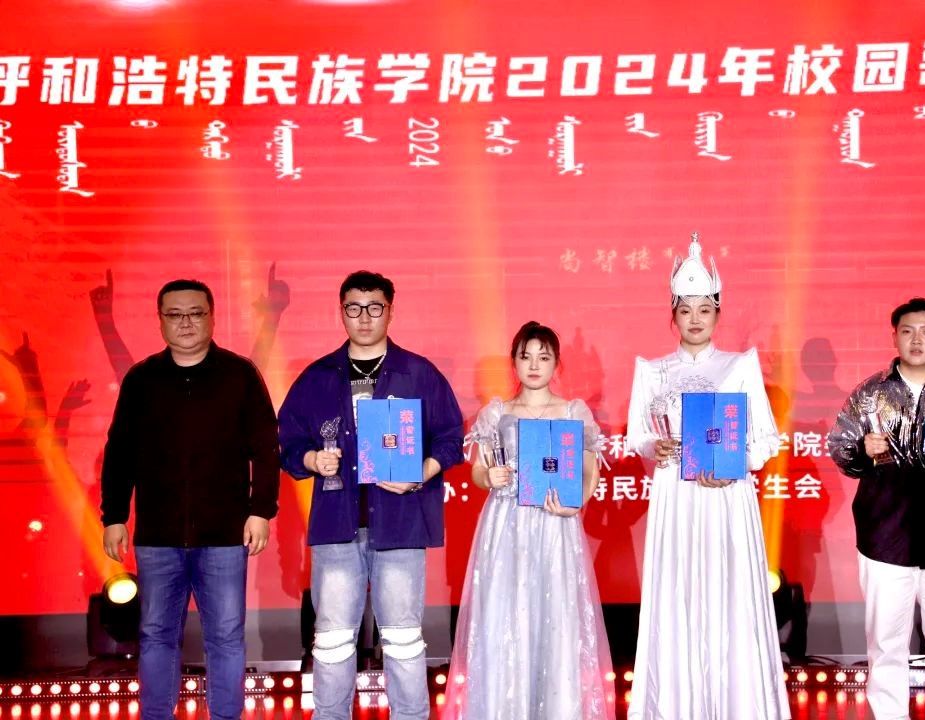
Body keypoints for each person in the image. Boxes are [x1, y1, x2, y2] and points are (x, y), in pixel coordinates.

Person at [278, 270, 464, 720]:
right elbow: (286, 442)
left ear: (390, 311)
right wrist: (312, 460)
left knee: (402, 637)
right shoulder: (318, 377)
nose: (364, 317)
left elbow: (451, 438)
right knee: (332, 639)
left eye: (374, 307)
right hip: (337, 525)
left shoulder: (418, 373)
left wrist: (421, 471)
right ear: (341, 312)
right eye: (354, 308)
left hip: (400, 523)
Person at [625, 234, 790, 720]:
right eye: (685, 310)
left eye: (704, 309)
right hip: (676, 494)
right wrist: (656, 447)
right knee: (677, 594)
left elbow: (765, 440)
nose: (695, 319)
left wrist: (732, 465)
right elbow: (638, 436)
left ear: (718, 313)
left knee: (728, 596)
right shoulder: (652, 371)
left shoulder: (739, 366)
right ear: (672, 315)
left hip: (725, 496)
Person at [100, 279, 280, 720]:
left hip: (224, 535)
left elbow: (266, 448)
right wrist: (115, 515)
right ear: (160, 320)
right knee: (156, 635)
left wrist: (261, 510)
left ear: (212, 318)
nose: (186, 322)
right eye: (175, 314)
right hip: (158, 535)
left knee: (226, 637)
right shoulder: (142, 379)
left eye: (196, 313)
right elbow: (120, 450)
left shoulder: (239, 375)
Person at [827, 297, 925, 720]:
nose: (917, 340)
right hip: (886, 535)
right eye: (908, 331)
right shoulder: (869, 393)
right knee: (885, 643)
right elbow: (839, 448)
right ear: (895, 336)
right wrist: (862, 450)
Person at [444, 321, 615, 720]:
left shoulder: (573, 412)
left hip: (555, 525)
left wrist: (576, 503)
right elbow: (478, 470)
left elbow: (590, 471)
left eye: (544, 357)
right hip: (507, 526)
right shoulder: (497, 413)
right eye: (526, 357)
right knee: (506, 618)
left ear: (556, 363)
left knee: (557, 621)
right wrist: (489, 477)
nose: (534, 366)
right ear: (514, 362)